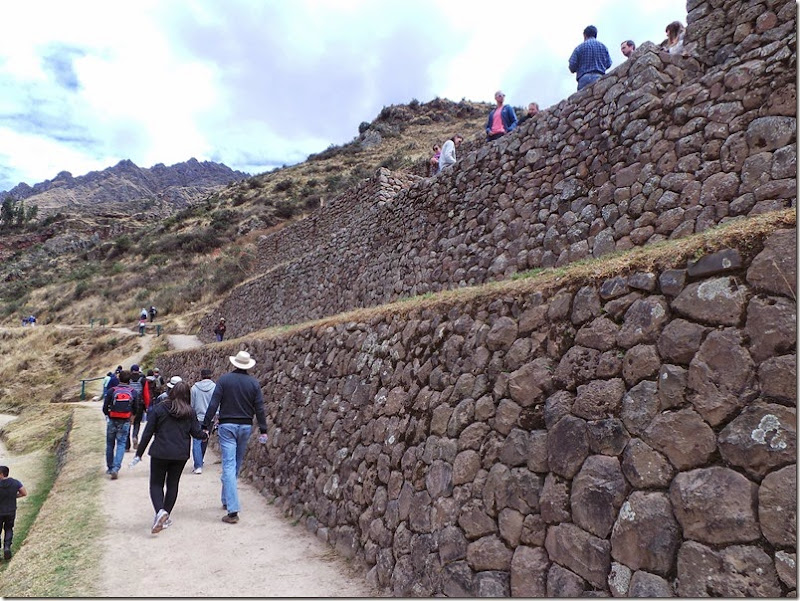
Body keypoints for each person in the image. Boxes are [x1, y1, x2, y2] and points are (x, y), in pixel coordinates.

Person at [131, 381, 207, 534]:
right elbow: (196, 433)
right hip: (180, 454)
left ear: (171, 391)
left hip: (160, 451)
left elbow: (147, 433)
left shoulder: (160, 408)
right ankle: (165, 515)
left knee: (156, 484)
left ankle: (160, 512)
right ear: (188, 395)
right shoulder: (190, 412)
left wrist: (139, 454)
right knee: (172, 484)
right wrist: (204, 435)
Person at [202, 350, 268, 524]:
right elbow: (259, 408)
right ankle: (226, 499)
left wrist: (205, 425)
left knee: (229, 465)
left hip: (227, 426)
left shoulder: (224, 380)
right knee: (235, 464)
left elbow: (214, 403)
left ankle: (232, 510)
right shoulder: (253, 383)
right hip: (245, 426)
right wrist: (263, 429)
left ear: (234, 363)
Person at [102, 370, 142, 479]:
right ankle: (116, 468)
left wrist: (109, 415)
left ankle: (110, 468)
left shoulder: (112, 391)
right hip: (125, 420)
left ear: (119, 379)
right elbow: (136, 408)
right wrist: (132, 418)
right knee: (121, 444)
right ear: (129, 380)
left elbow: (105, 408)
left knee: (110, 444)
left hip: (112, 419)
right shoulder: (133, 392)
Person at [569, 25, 612, 91]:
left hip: (584, 79)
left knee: (583, 100)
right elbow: (609, 63)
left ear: (584, 35)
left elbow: (572, 66)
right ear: (595, 35)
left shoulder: (579, 48)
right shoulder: (603, 47)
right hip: (599, 77)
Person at [190, 369, 216, 474]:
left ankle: (198, 465)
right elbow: (216, 404)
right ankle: (201, 459)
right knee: (205, 439)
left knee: (196, 440)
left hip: (197, 418)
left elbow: (192, 404)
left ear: (201, 376)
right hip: (209, 418)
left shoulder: (194, 388)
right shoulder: (215, 387)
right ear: (211, 375)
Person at [0, 465, 27, 560]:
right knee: (8, 529)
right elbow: (24, 493)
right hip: (11, 511)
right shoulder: (15, 482)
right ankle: (7, 547)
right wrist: (13, 496)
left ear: (1, 474)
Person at [127, 365, 151, 451]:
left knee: (128, 423)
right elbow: (146, 394)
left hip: (128, 404)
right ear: (138, 371)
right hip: (139, 405)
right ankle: (135, 436)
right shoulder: (143, 380)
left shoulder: (127, 378)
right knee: (137, 423)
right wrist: (147, 405)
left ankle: (127, 445)